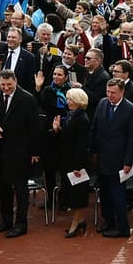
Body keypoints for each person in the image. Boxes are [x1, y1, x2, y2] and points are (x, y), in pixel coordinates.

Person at [89, 79, 133, 238]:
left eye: (113, 93)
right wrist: (93, 151)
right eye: (108, 92)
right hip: (102, 158)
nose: (110, 95)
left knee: (118, 195)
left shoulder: (131, 110)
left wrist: (128, 162)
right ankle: (108, 221)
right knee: (104, 193)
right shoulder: (102, 103)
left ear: (122, 92)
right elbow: (95, 127)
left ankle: (123, 228)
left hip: (119, 161)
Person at [0, 69, 40, 238]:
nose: (5, 88)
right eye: (3, 85)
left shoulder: (27, 99)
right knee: (4, 188)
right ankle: (6, 221)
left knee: (20, 190)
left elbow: (34, 127)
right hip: (1, 151)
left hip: (20, 151)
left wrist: (34, 152)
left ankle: (21, 224)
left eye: (9, 85)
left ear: (16, 81)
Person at [55, 88, 92, 237]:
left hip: (77, 164)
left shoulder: (82, 118)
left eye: (70, 99)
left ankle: (75, 224)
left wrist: (78, 166)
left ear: (78, 101)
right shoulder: (71, 115)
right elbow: (68, 136)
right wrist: (58, 130)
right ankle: (81, 220)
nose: (68, 102)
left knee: (78, 195)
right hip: (68, 161)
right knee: (72, 193)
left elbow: (82, 145)